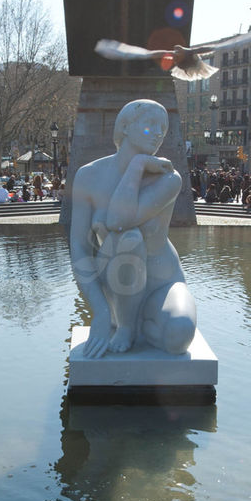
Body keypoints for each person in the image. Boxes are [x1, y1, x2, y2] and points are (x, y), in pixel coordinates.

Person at [69, 99, 196, 358]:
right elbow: (81, 247)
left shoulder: (168, 178)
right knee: (128, 238)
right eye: (150, 124)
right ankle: (125, 324)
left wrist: (137, 164)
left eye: (164, 127)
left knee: (179, 336)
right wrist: (101, 311)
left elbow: (117, 217)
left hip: (163, 283)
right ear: (125, 127)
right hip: (118, 283)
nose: (160, 132)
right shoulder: (89, 176)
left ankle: (142, 323)